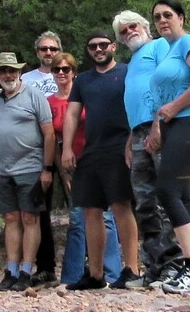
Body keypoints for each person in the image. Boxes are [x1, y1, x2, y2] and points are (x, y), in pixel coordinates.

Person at [143, 0, 190, 295]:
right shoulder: (169, 50)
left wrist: (174, 107)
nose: (162, 20)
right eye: (157, 16)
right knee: (184, 196)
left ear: (181, 18)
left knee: (166, 190)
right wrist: (159, 125)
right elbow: (164, 100)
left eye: (167, 15)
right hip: (175, 126)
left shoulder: (189, 42)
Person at [62, 29, 146, 291]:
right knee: (90, 210)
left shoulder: (126, 72)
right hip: (91, 151)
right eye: (92, 46)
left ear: (112, 47)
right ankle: (96, 275)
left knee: (121, 206)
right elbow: (72, 115)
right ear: (88, 51)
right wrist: (67, 149)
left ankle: (131, 270)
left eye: (102, 45)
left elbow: (138, 104)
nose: (98, 49)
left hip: (121, 147)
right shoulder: (83, 81)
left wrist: (133, 141)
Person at [46, 51, 123, 288]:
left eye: (66, 69)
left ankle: (112, 273)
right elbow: (53, 139)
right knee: (78, 219)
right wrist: (62, 170)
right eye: (57, 69)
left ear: (74, 72)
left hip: (98, 158)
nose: (61, 73)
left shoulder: (87, 92)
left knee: (107, 216)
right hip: (71, 164)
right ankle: (73, 276)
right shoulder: (49, 102)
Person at [116, 8, 181, 287]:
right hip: (138, 132)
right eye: (123, 31)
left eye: (133, 26)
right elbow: (136, 101)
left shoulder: (158, 47)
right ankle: (153, 266)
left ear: (145, 26)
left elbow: (168, 85)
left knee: (166, 198)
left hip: (161, 127)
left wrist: (158, 123)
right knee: (144, 202)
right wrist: (131, 139)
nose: (130, 32)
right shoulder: (131, 61)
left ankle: (175, 265)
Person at [0, 51, 54, 291]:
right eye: (3, 71)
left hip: (31, 167)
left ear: (19, 72)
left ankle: (27, 270)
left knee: (30, 218)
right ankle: (11, 270)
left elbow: (49, 133)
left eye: (12, 70)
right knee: (10, 218)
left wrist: (47, 169)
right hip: (3, 169)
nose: (8, 74)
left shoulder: (34, 95)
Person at [16, 31, 62, 283]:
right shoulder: (26, 79)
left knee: (83, 208)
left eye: (53, 49)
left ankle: (90, 266)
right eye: (44, 49)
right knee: (39, 210)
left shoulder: (67, 73)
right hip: (38, 148)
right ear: (37, 52)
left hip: (67, 146)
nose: (48, 53)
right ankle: (45, 267)